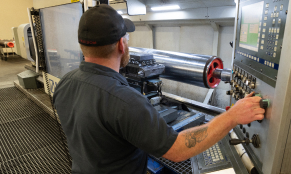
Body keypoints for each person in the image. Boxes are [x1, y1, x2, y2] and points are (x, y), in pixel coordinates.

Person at [53, 4, 265, 174]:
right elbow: (179, 149)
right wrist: (232, 117)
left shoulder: (65, 83)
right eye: (127, 38)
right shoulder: (125, 101)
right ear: (121, 45)